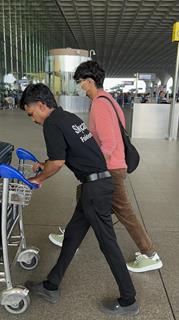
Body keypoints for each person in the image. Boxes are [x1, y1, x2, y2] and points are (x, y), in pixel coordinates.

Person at [19, 83, 139, 316]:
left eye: (31, 113)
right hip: (95, 185)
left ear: (41, 105)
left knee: (108, 244)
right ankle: (51, 285)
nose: (32, 119)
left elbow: (58, 162)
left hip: (95, 189)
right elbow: (66, 153)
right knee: (72, 236)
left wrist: (39, 178)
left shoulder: (51, 123)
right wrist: (45, 165)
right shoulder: (68, 117)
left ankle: (129, 300)